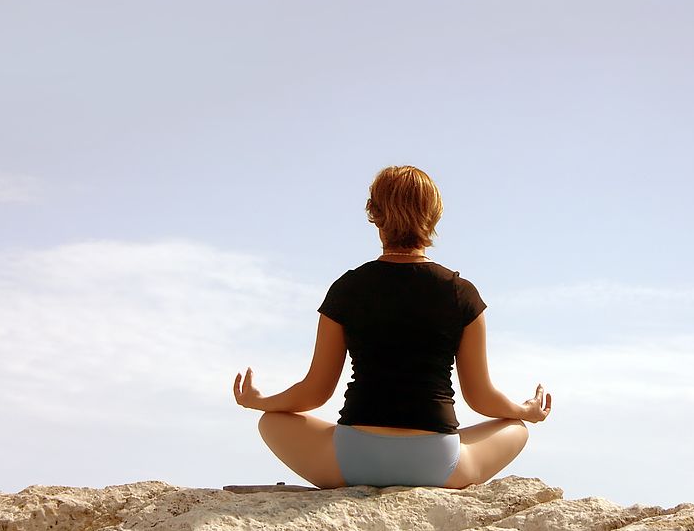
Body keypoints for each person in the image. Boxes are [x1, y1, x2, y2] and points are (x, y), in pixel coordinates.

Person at [232, 165, 551, 489]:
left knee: (271, 421)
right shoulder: (461, 293)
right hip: (436, 464)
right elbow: (481, 398)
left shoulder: (348, 288)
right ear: (434, 215)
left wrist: (261, 401)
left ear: (375, 214)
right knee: (517, 428)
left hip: (354, 459)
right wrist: (524, 410)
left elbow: (315, 391)